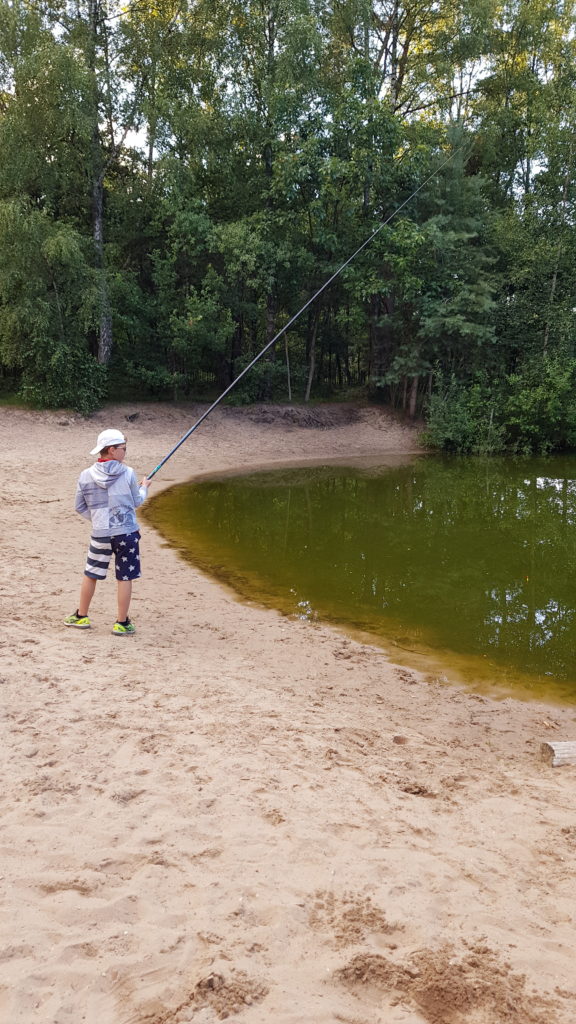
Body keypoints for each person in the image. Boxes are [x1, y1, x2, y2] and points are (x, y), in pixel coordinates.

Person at [64, 428, 152, 635]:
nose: (125, 452)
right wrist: (144, 487)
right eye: (123, 448)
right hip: (127, 534)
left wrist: (98, 521)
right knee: (125, 576)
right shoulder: (128, 473)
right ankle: (122, 622)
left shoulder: (85, 475)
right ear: (112, 450)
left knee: (91, 573)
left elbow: (80, 506)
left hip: (100, 533)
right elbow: (137, 501)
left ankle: (81, 616)